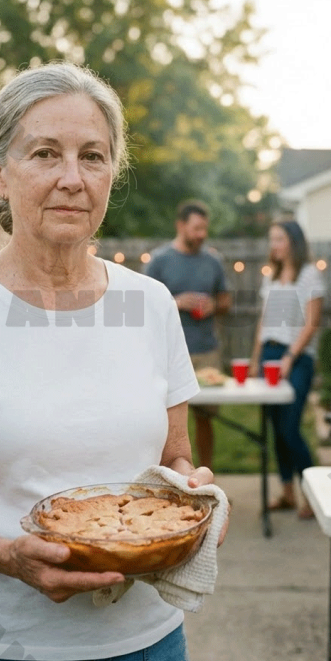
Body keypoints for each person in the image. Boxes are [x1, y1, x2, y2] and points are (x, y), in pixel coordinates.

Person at [0, 62, 220, 661]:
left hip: (145, 653)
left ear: (110, 174)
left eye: (92, 156)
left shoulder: (150, 304)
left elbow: (176, 457)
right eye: (46, 153)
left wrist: (199, 503)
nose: (72, 178)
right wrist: (8, 558)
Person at [145, 201, 231, 470]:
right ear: (180, 226)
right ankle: (168, 478)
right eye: (196, 228)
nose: (201, 234)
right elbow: (144, 306)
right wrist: (176, 302)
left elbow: (226, 301)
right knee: (165, 422)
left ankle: (204, 476)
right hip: (168, 353)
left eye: (204, 229)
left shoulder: (213, 261)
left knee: (205, 418)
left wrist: (213, 306)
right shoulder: (159, 261)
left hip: (206, 349)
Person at [248, 220, 325, 519]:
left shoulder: (309, 275)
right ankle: (288, 494)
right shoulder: (273, 276)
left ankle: (314, 497)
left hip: (297, 358)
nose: (274, 245)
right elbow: (265, 322)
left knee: (290, 428)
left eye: (278, 238)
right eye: (272, 239)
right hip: (270, 353)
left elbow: (312, 322)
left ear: (293, 240)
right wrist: (256, 359)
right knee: (275, 429)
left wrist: (290, 357)